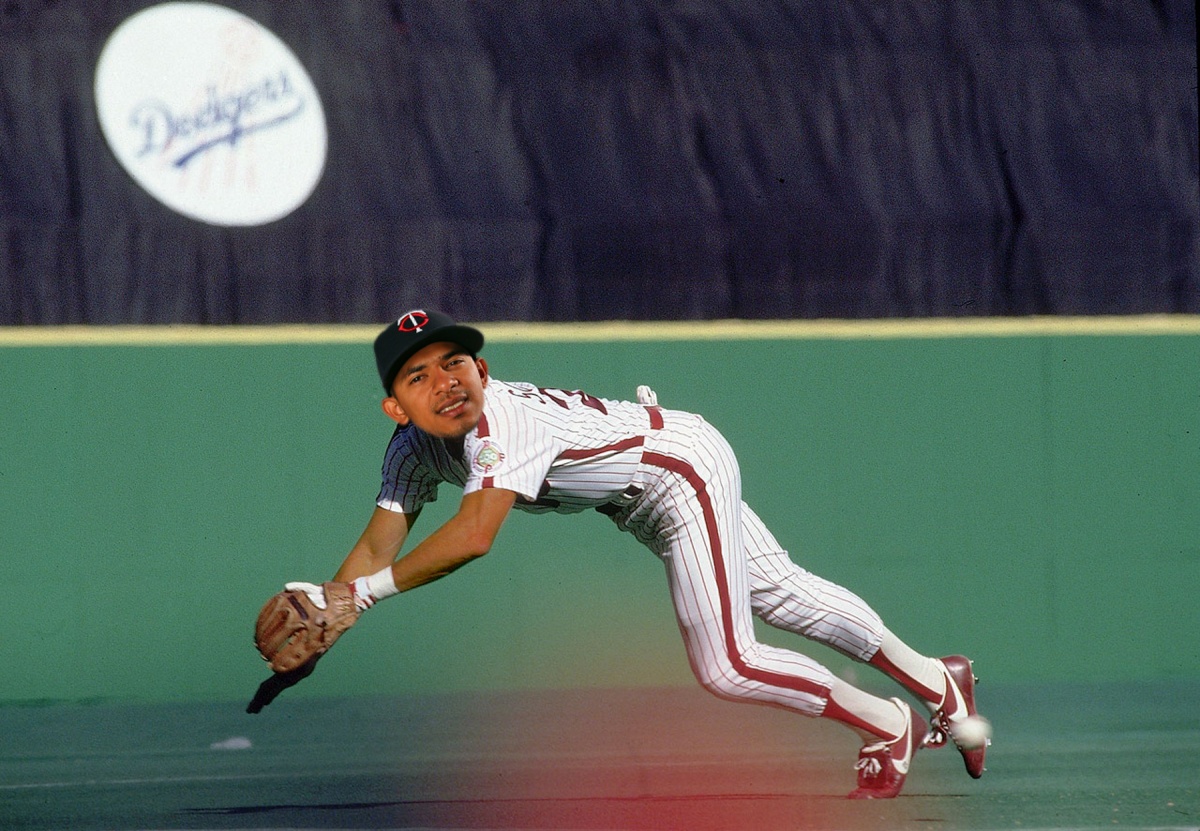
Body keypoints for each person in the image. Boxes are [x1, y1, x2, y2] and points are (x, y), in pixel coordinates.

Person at [248, 308, 990, 799]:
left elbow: (474, 535)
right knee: (779, 591)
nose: (445, 383)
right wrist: (330, 621)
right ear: (395, 406)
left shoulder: (501, 424)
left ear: (483, 369)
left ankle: (883, 720)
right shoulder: (411, 450)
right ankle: (939, 680)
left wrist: (360, 596)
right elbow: (379, 542)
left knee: (727, 665)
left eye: (456, 363)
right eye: (419, 376)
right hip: (649, 483)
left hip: (676, 471)